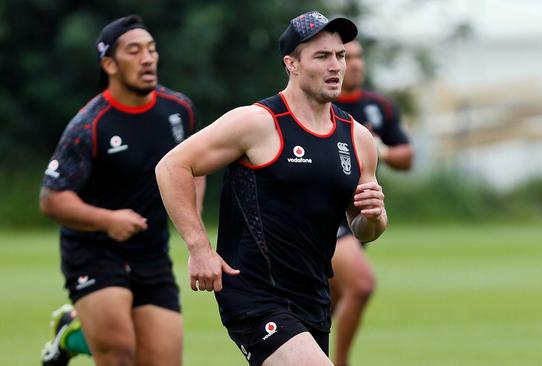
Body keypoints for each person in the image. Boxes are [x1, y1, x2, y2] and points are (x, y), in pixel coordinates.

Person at [155, 10, 387, 366]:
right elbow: (173, 166)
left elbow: (364, 229)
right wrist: (199, 247)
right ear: (291, 63)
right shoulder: (258, 122)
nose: (336, 66)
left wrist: (374, 216)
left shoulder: (357, 138)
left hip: (313, 295)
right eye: (322, 56)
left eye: (340, 55)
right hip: (254, 293)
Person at [39, 15, 203, 366]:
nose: (148, 58)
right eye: (134, 51)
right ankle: (78, 333)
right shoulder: (89, 124)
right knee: (118, 354)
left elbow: (196, 164)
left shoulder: (179, 110)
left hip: (151, 254)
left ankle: (75, 331)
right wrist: (107, 220)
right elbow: (52, 197)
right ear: (109, 64)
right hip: (95, 251)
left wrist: (192, 221)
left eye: (151, 49)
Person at [330, 39, 413, 366]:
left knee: (323, 305)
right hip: (326, 216)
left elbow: (407, 157)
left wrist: (383, 151)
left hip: (359, 216)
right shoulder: (320, 104)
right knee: (362, 285)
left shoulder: (378, 106)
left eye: (360, 56)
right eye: (347, 57)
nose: (356, 63)